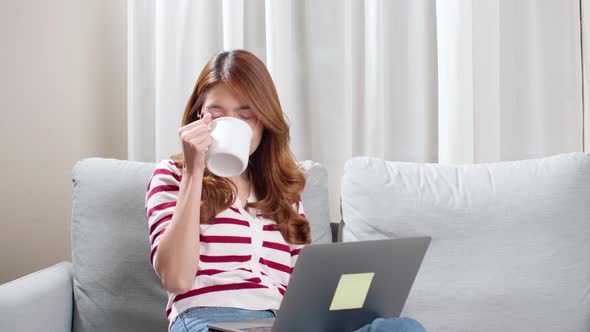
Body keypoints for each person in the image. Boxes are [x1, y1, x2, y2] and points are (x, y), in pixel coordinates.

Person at [145, 49, 427, 332]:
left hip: (279, 324)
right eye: (216, 113)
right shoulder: (173, 175)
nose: (232, 124)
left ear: (265, 122)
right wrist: (194, 172)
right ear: (199, 116)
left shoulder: (284, 194)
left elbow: (305, 293)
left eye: (246, 115)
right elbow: (176, 279)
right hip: (206, 318)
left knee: (403, 328)